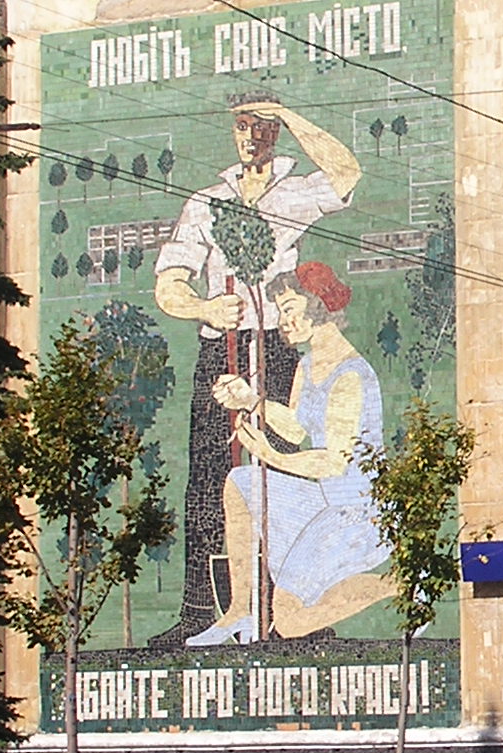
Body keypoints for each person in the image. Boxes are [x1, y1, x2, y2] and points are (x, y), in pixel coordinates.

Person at [153, 92, 362, 638]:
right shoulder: (207, 200)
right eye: (244, 126)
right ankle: (199, 611)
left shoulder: (292, 192)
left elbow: (346, 173)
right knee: (208, 480)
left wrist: (292, 113)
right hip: (218, 343)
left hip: (277, 342)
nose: (253, 137)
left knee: (283, 473)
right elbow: (169, 282)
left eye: (264, 127)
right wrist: (203, 307)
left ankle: (292, 616)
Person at [187, 261, 390, 645]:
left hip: (360, 515)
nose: (282, 321)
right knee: (241, 482)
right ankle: (240, 613)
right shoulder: (310, 363)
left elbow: (333, 461)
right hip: (326, 503)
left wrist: (269, 454)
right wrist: (252, 400)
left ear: (319, 309)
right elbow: (297, 428)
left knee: (292, 621)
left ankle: (400, 584)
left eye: (290, 310)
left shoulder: (350, 375)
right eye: (280, 312)